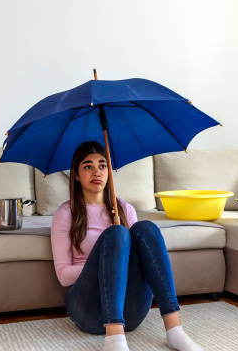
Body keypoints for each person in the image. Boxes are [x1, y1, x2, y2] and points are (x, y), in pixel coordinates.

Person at [50, 141, 204, 351]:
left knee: (146, 228)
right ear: (76, 174)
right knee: (117, 233)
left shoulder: (124, 208)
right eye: (88, 166)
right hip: (88, 310)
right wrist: (106, 261)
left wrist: (118, 251)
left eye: (102, 165)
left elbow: (139, 260)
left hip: (130, 312)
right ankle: (114, 340)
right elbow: (64, 275)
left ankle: (174, 330)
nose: (97, 172)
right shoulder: (65, 213)